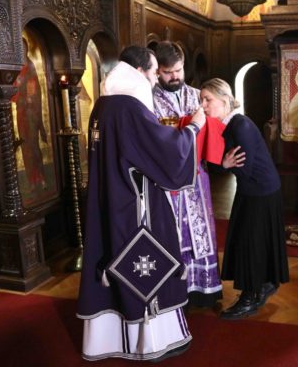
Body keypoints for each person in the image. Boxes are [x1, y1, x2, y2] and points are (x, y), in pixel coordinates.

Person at [77, 46, 206, 361]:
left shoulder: (103, 105)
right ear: (140, 71)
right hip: (136, 205)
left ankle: (110, 340)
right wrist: (193, 127)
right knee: (143, 267)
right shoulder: (130, 107)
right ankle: (148, 341)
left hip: (109, 202)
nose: (154, 79)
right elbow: (164, 152)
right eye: (152, 71)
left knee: (112, 258)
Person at [200, 78, 289, 319]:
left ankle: (250, 297)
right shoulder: (228, 125)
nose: (203, 105)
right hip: (253, 189)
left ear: (224, 100)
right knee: (250, 240)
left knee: (250, 243)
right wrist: (224, 164)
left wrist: (224, 164)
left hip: (260, 190)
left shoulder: (240, 125)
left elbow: (244, 168)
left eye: (208, 99)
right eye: (202, 100)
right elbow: (219, 164)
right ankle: (264, 284)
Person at [152, 41, 222, 308]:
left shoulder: (197, 96)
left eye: (178, 70)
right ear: (158, 71)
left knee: (200, 234)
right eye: (168, 72)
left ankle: (204, 290)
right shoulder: (148, 99)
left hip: (197, 179)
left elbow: (217, 127)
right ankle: (176, 293)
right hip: (167, 181)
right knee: (174, 234)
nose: (175, 77)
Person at [12, 38, 48, 191]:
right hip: (21, 114)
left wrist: (30, 99)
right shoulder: (16, 68)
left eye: (24, 47)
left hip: (32, 113)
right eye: (20, 48)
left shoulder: (30, 66)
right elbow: (13, 91)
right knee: (26, 147)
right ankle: (32, 181)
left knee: (34, 147)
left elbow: (35, 90)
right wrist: (20, 95)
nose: (22, 50)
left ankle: (41, 177)